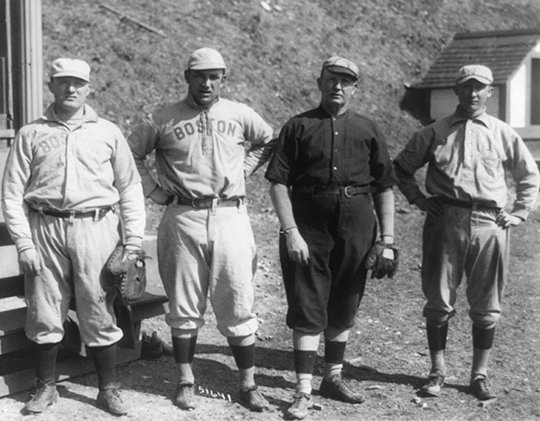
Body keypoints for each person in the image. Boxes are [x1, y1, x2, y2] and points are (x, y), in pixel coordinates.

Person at [127, 47, 275, 412]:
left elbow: (268, 139)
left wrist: (244, 170)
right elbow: (131, 154)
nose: (206, 83)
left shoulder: (239, 113)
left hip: (229, 214)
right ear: (187, 78)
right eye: (199, 75)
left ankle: (248, 383)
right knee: (183, 302)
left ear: (223, 79)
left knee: (238, 297)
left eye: (214, 76)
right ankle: (185, 380)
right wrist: (154, 191)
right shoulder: (163, 118)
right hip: (183, 216)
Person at [1, 58, 146, 415]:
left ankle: (108, 389)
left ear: (88, 89)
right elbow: (11, 193)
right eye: (63, 82)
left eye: (78, 83)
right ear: (50, 85)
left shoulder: (107, 132)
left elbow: (130, 189)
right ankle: (46, 387)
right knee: (44, 310)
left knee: (99, 308)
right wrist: (24, 242)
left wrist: (133, 243)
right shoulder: (31, 133)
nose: (70, 89)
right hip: (45, 227)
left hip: (95, 227)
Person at [393, 64, 540, 401]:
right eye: (467, 87)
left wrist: (518, 213)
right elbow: (400, 169)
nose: (473, 94)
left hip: (490, 224)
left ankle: (479, 374)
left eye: (480, 88)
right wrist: (417, 198)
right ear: (456, 91)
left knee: (487, 303)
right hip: (446, 219)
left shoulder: (502, 132)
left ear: (490, 92)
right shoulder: (433, 132)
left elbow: (529, 174)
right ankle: (437, 371)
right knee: (439, 300)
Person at [265, 56, 397, 419]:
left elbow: (385, 187)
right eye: (331, 79)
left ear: (355, 87)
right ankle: (303, 390)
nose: (337, 86)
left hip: (357, 221)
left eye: (345, 81)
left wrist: (387, 239)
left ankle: (333, 377)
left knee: (345, 299)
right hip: (308, 223)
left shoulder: (368, 129)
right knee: (308, 304)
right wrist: (290, 231)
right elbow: (277, 182)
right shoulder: (298, 126)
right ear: (319, 82)